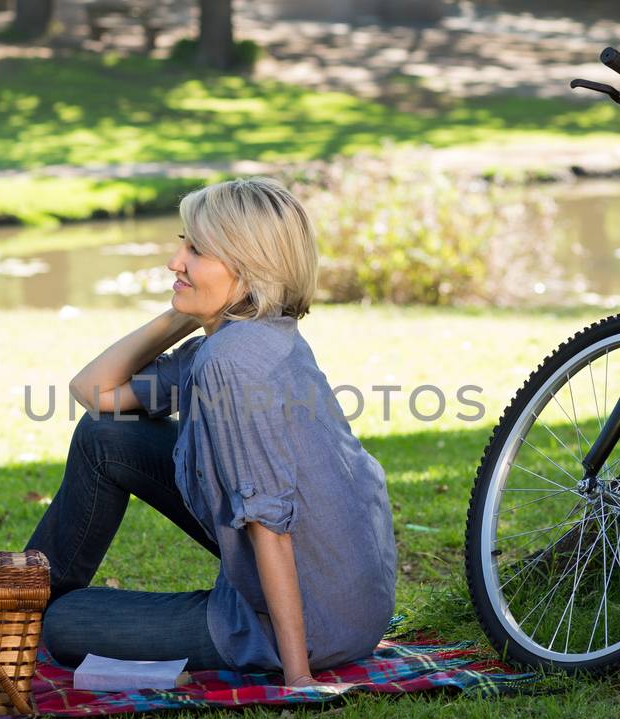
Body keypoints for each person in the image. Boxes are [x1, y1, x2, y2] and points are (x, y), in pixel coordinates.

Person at [27, 177, 397, 687]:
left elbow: (270, 519)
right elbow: (94, 392)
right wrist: (186, 311)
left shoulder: (233, 364)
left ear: (249, 271)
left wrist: (298, 676)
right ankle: (19, 599)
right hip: (351, 598)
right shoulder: (241, 337)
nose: (175, 261)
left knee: (62, 625)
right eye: (185, 242)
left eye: (196, 251)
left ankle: (24, 613)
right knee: (104, 434)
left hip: (309, 623)